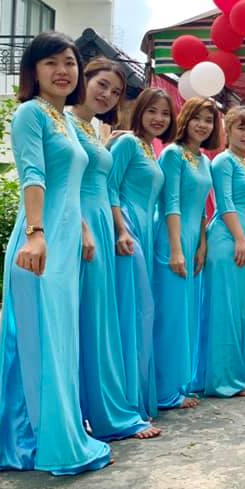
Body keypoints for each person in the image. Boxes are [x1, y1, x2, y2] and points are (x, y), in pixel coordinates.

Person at [0, 31, 111, 475]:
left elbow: (72, 187)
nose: (63, 71)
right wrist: (36, 233)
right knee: (36, 343)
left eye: (69, 63)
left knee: (59, 342)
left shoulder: (64, 119)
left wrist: (82, 229)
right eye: (51, 63)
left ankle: (57, 434)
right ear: (33, 70)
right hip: (40, 247)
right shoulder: (30, 113)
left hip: (65, 246)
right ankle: (33, 444)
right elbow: (33, 175)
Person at [69, 58, 160, 441]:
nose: (107, 95)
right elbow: (62, 182)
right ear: (83, 80)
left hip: (102, 228)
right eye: (101, 85)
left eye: (116, 91)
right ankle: (95, 414)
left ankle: (105, 409)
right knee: (87, 322)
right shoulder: (65, 122)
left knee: (101, 322)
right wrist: (86, 228)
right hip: (84, 228)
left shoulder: (91, 129)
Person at [108, 88, 174, 421]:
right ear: (139, 112)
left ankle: (139, 398)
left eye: (165, 113)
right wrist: (121, 230)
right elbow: (109, 188)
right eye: (152, 111)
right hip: (128, 231)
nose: (158, 118)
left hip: (145, 234)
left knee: (142, 313)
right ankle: (126, 404)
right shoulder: (128, 144)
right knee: (134, 312)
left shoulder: (150, 148)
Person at [152, 97, 219, 409]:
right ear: (185, 119)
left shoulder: (203, 160)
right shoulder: (172, 154)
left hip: (193, 241)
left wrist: (202, 244)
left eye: (209, 120)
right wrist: (177, 249)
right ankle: (164, 391)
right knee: (170, 316)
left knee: (187, 314)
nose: (203, 125)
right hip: (171, 239)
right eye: (197, 118)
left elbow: (202, 207)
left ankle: (180, 383)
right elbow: (171, 203)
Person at [196, 106, 245, 398]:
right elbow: (224, 203)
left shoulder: (243, 162)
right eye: (241, 128)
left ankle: (234, 376)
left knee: (236, 310)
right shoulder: (224, 161)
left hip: (239, 240)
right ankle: (223, 381)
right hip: (227, 240)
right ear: (228, 130)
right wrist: (240, 239)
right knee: (224, 310)